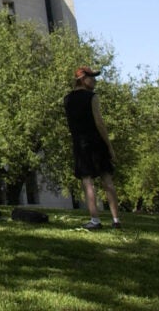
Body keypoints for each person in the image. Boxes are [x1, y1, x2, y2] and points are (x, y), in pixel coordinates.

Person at [63, 66, 121, 230]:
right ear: (82, 79)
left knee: (88, 182)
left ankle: (95, 220)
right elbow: (99, 122)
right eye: (92, 77)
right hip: (95, 141)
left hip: (80, 143)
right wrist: (109, 146)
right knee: (107, 180)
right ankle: (116, 220)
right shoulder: (92, 97)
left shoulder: (67, 100)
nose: (95, 80)